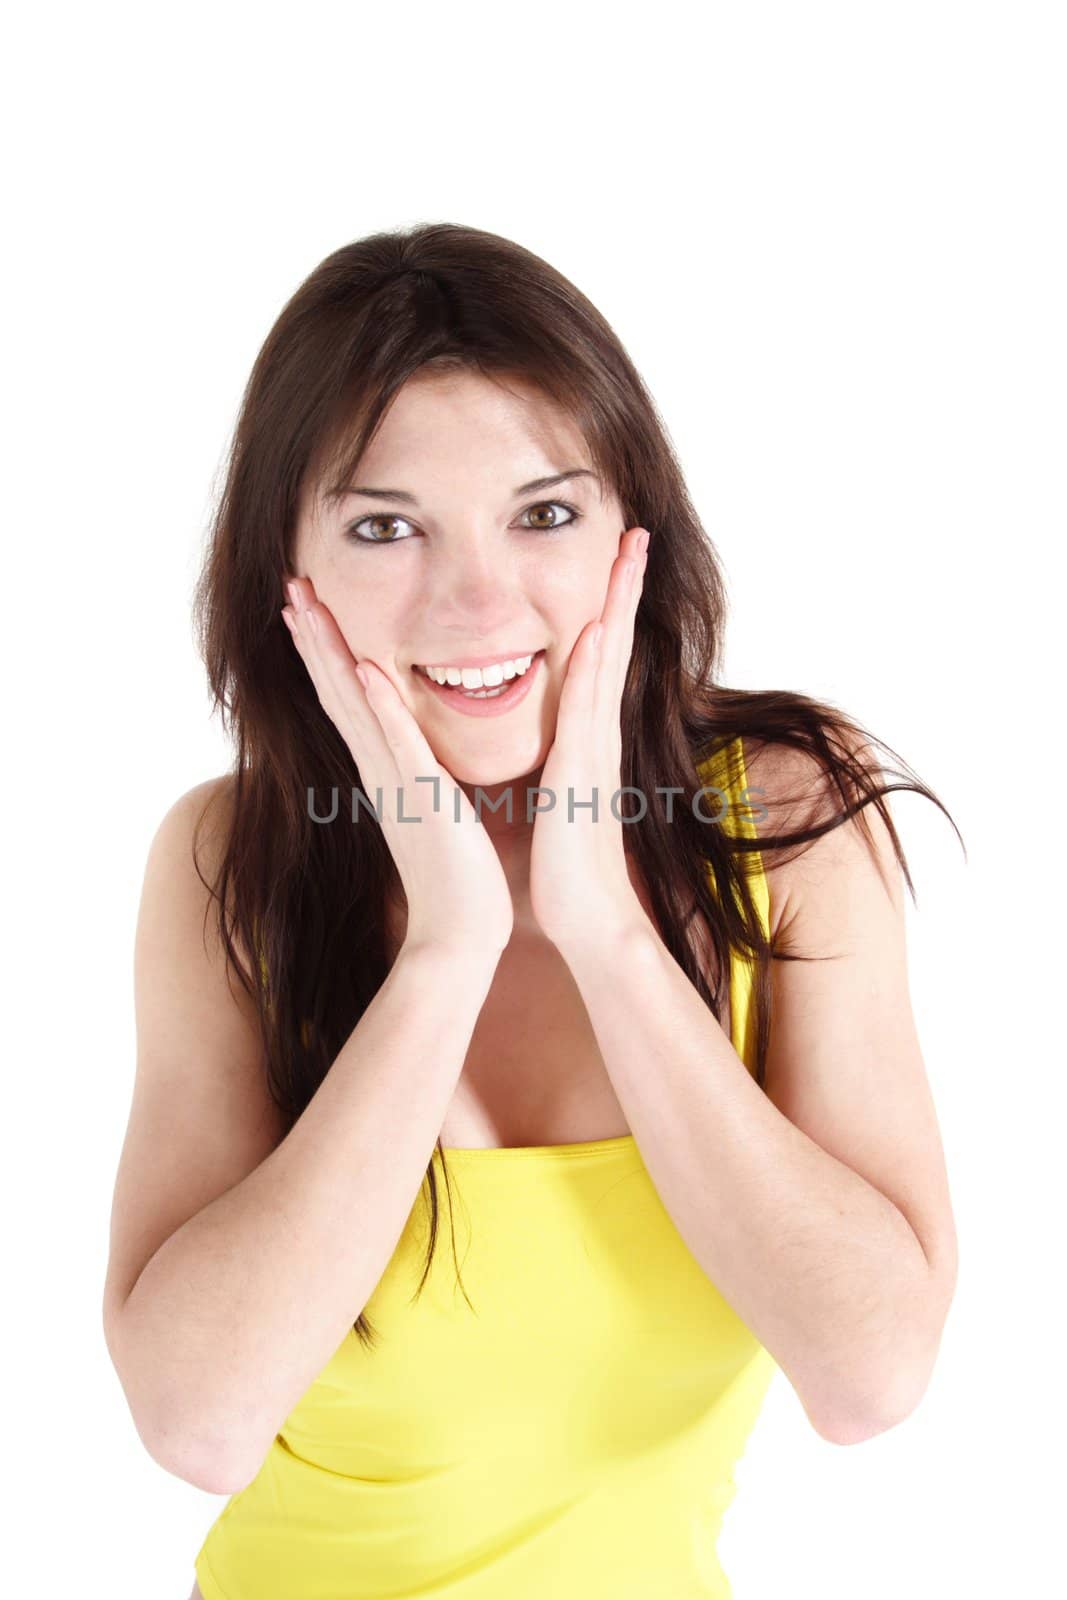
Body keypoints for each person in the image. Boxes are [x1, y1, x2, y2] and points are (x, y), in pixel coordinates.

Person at [102, 222, 961, 1600]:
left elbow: (869, 1379)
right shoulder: (235, 861)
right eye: (388, 526)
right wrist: (445, 951)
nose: (476, 598)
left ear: (634, 533)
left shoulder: (784, 819)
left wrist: (609, 933)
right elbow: (199, 1424)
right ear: (291, 570)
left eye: (543, 513)